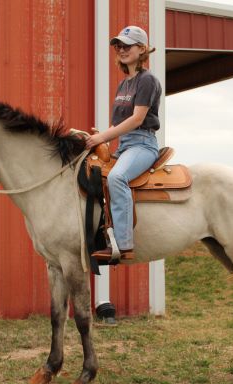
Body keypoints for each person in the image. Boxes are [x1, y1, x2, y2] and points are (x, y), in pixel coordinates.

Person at [85, 25, 162, 261]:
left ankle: (124, 245)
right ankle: (101, 235)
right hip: (125, 145)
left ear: (141, 49)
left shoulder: (147, 80)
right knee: (95, 174)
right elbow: (119, 124)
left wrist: (102, 138)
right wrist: (96, 137)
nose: (121, 49)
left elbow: (137, 119)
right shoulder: (124, 84)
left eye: (127, 45)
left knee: (118, 177)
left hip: (143, 144)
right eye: (118, 46)